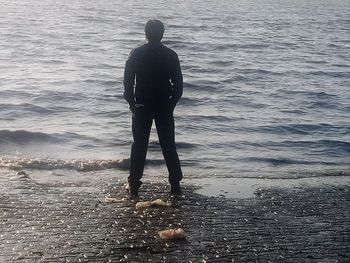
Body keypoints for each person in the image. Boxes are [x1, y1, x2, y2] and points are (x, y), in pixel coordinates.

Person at [123, 20, 183, 197]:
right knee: (168, 145)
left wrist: (132, 102)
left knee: (139, 145)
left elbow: (127, 82)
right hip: (164, 104)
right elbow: (178, 86)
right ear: (162, 34)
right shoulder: (171, 55)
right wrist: (171, 104)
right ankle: (175, 184)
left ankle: (134, 184)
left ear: (146, 34)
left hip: (142, 104)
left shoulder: (137, 53)